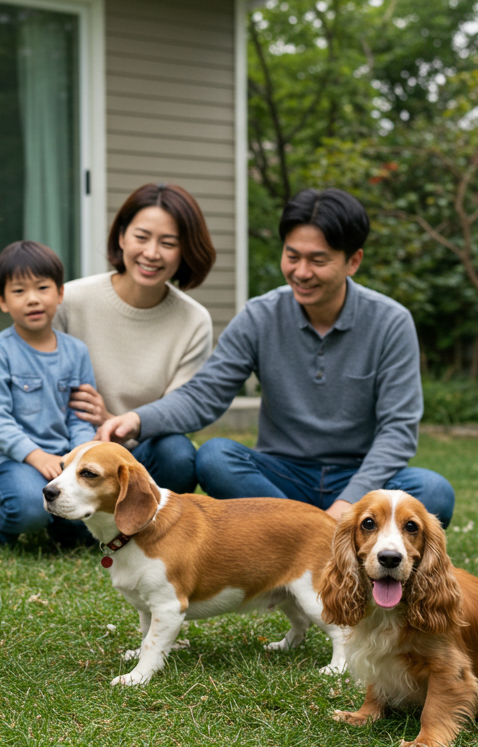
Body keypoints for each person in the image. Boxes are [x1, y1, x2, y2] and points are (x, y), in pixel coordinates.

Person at [98, 187, 455, 526]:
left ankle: (299, 534)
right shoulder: (259, 315)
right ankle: (315, 534)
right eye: (292, 256)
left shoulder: (390, 322)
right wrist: (136, 420)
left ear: (353, 261)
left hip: (360, 478)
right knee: (216, 458)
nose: (301, 272)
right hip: (280, 475)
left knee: (434, 492)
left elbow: (398, 431)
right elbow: (204, 395)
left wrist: (350, 500)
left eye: (318, 260)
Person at [0, 183, 217, 493]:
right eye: (141, 237)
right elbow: (24, 363)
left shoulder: (194, 321)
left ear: (186, 249)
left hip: (134, 452)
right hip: (67, 451)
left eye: (168, 243)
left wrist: (114, 420)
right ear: (122, 237)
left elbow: (181, 410)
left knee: (177, 453)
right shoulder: (69, 299)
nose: (151, 253)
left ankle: (140, 519)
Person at [0, 241, 97, 547]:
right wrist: (36, 455)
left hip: (63, 460)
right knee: (29, 509)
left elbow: (80, 414)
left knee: (86, 526)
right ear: (2, 301)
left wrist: (77, 454)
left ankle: (61, 528)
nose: (32, 299)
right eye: (18, 291)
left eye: (42, 288)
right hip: (12, 460)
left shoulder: (76, 352)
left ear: (59, 293)